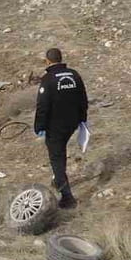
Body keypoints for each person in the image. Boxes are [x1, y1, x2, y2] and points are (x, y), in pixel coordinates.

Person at [34, 47, 88, 208]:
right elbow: (83, 98)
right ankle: (58, 179)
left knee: (56, 157)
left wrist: (39, 126)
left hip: (55, 125)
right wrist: (82, 119)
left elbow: (42, 105)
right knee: (60, 151)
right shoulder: (74, 74)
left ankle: (67, 197)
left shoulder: (48, 79)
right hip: (72, 122)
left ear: (48, 61)